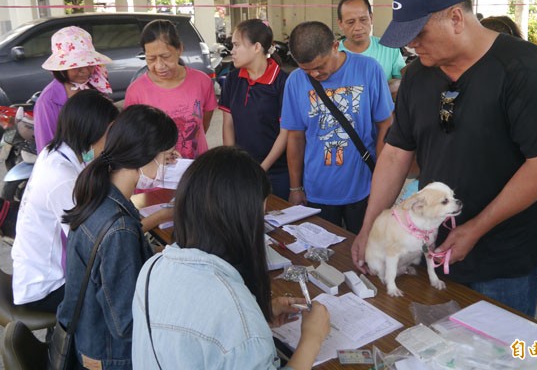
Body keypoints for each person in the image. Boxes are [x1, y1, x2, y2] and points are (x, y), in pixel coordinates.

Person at [351, 0, 537, 317]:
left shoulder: (522, 68)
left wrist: (475, 228)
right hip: (431, 249)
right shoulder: (417, 76)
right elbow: (395, 155)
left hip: (502, 260)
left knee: (499, 356)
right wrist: (369, 226)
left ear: (455, 18)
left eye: (419, 34)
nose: (412, 45)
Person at [131, 146, 330, 369]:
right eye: (260, 217)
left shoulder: (153, 267)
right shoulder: (237, 319)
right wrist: (312, 339)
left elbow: (193, 344)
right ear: (243, 222)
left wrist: (260, 316)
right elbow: (225, 326)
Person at [57, 105, 178, 369]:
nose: (168, 164)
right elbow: (127, 323)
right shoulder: (118, 227)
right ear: (145, 156)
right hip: (109, 354)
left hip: (89, 333)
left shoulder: (101, 195)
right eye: (167, 157)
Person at [11, 90, 118, 313]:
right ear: (91, 131)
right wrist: (160, 216)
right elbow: (94, 241)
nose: (112, 140)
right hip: (46, 287)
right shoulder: (61, 177)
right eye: (110, 132)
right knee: (118, 295)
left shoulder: (55, 152)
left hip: (36, 271)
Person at [281, 21, 393, 234]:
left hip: (363, 187)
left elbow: (385, 126)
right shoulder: (295, 81)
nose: (314, 75)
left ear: (335, 46)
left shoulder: (368, 70)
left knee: (366, 251)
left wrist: (381, 181)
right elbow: (295, 137)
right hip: (317, 190)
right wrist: (295, 187)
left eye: (320, 67)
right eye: (307, 70)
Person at [124, 19, 217, 159]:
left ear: (179, 49)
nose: (159, 65)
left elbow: (204, 122)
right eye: (151, 59)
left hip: (197, 166)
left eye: (165, 57)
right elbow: (134, 136)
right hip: (158, 173)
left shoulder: (202, 81)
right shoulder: (136, 91)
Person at [219, 19, 290, 199]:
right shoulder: (233, 79)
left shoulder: (283, 82)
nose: (232, 51)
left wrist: (261, 169)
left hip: (277, 173)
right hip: (241, 171)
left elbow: (285, 133)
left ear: (257, 47)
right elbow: (228, 124)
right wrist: (233, 162)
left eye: (236, 45)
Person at [35, 26, 112, 153]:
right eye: (77, 66)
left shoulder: (97, 85)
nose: (85, 71)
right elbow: (46, 147)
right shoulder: (48, 101)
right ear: (61, 68)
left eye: (89, 64)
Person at [337, 0, 406, 100]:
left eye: (363, 20)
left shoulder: (389, 48)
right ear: (340, 24)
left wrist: (393, 87)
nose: (358, 27)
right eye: (350, 22)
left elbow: (404, 81)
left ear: (371, 18)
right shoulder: (333, 54)